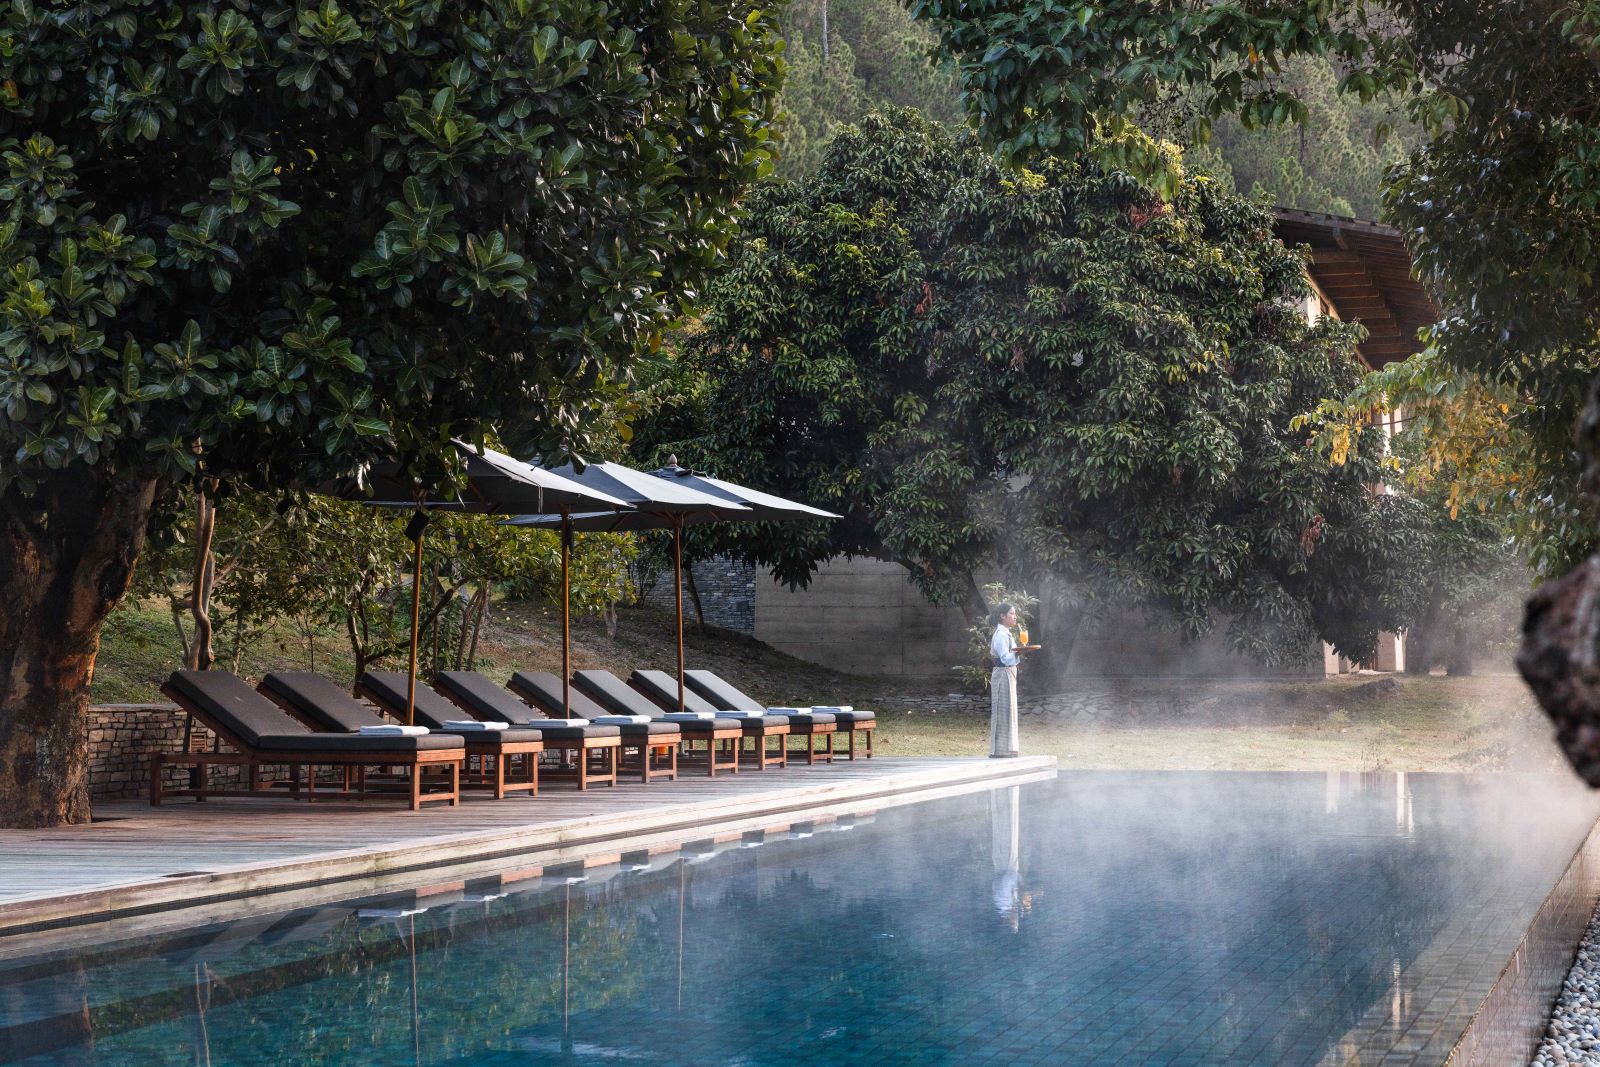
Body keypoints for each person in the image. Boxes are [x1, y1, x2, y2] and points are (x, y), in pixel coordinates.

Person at [988, 603, 1028, 757]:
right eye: (1011, 613)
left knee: (1009, 709)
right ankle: (1000, 750)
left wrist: (1019, 652)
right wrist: (1019, 653)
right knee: (1002, 710)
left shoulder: (1007, 633)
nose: (1014, 616)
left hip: (1009, 673)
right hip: (1003, 673)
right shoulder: (1001, 635)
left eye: (1014, 614)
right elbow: (1005, 658)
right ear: (1002, 616)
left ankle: (1009, 747)